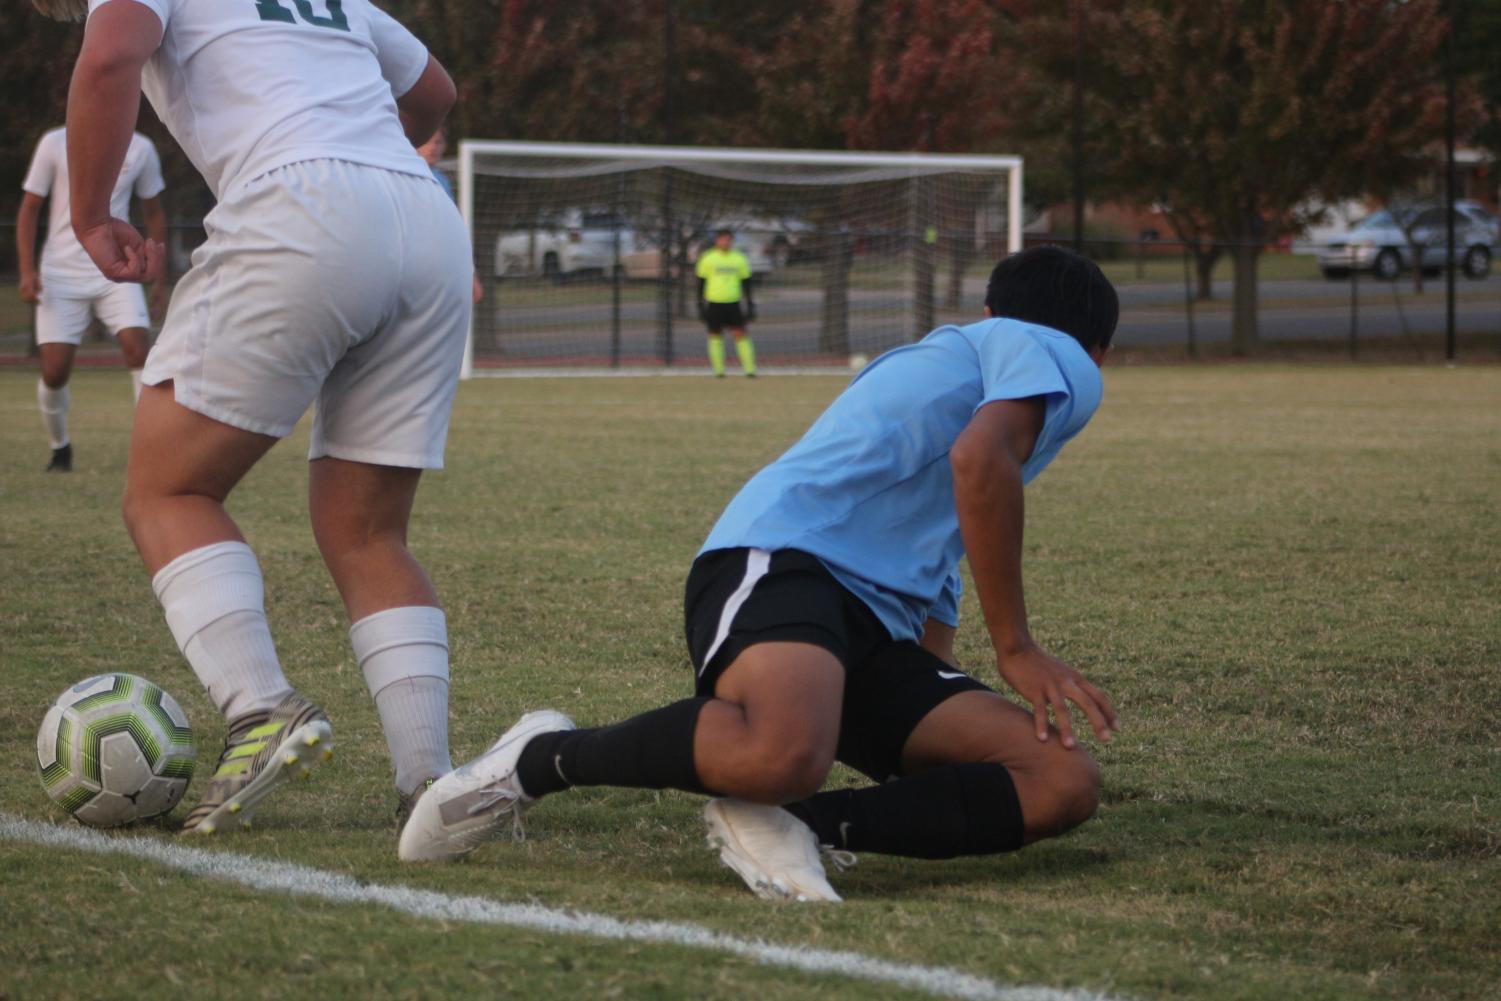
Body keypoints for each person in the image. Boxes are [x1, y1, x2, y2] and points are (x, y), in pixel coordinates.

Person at [401, 245, 1123, 902]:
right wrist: (1017, 646)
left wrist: (936, 700)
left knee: (1061, 780)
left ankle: (799, 825)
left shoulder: (970, 359)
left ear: (989, 311)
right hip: (784, 561)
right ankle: (540, 759)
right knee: (780, 752)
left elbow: (939, 528)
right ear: (1096, 351)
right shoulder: (1059, 358)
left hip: (875, 625)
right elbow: (979, 464)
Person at [37, 0, 472, 843]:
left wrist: (90, 215)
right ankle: (430, 781)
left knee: (168, 491)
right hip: (424, 218)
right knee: (369, 531)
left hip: (303, 206)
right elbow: (435, 93)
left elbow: (108, 58)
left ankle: (260, 706)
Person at [17, 125, 166, 471]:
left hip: (119, 267)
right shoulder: (54, 143)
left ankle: (153, 454)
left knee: (138, 350)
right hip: (61, 273)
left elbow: (155, 213)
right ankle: (60, 448)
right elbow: (29, 208)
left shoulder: (141, 148)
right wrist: (27, 271)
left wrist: (157, 280)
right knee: (54, 371)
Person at [415, 125, 482, 304]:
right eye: (427, 141)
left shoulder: (441, 180)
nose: (432, 147)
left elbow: (452, 229)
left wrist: (470, 271)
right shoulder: (406, 176)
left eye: (437, 142)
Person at [694, 229, 757, 378]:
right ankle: (719, 371)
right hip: (714, 303)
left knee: (740, 334)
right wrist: (699, 305)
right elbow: (700, 283)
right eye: (722, 239)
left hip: (733, 304)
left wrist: (750, 304)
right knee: (715, 335)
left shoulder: (739, 259)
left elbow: (746, 283)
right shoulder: (708, 258)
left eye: (728, 239)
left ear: (732, 241)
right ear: (716, 241)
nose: (725, 242)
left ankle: (750, 370)